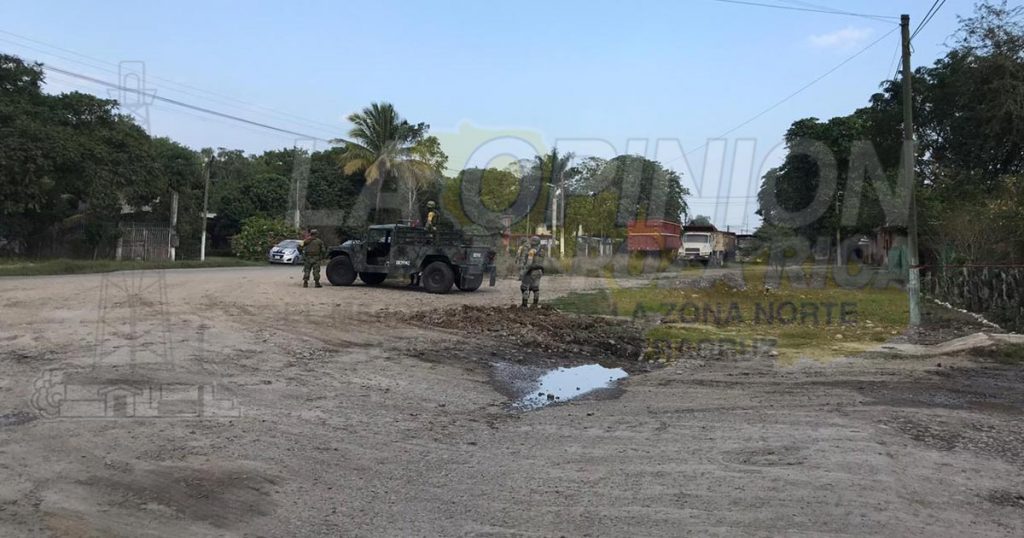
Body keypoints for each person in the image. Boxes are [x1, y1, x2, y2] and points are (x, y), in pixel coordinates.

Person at [519, 235, 544, 307]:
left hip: (531, 271)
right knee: (535, 287)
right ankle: (535, 304)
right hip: (539, 271)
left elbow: (529, 263)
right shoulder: (542, 251)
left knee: (524, 287)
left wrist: (523, 273)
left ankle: (524, 304)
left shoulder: (532, 251)